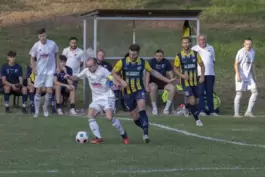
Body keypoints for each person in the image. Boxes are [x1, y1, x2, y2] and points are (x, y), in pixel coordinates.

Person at [112, 44, 176, 143]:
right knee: (134, 116)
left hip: (139, 90)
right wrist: (120, 81)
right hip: (127, 92)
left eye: (134, 54)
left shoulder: (142, 62)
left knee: (142, 108)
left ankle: (145, 134)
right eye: (131, 54)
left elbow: (154, 72)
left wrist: (167, 80)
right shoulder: (123, 62)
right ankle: (144, 126)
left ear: (138, 54)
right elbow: (113, 72)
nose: (132, 56)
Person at [65, 57, 129, 144]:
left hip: (107, 98)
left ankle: (124, 134)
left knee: (109, 118)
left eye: (91, 66)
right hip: (96, 99)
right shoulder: (86, 71)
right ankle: (99, 138)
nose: (89, 68)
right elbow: (77, 77)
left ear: (96, 65)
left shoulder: (103, 70)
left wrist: (117, 83)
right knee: (90, 115)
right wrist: (69, 76)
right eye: (88, 66)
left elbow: (111, 77)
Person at [174, 37, 205, 126]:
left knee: (197, 101)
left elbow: (202, 65)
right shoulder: (179, 56)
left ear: (190, 43)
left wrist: (202, 76)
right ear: (181, 44)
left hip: (195, 81)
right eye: (183, 43)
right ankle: (197, 120)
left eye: (187, 43)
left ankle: (184, 107)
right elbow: (175, 68)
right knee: (192, 100)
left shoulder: (195, 54)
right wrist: (182, 75)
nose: (185, 44)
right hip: (185, 82)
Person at [29, 28, 59, 118]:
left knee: (49, 90)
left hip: (50, 71)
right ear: (38, 37)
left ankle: (45, 107)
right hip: (40, 71)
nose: (42, 38)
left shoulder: (52, 44)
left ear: (46, 35)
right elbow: (32, 58)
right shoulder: (36, 45)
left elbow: (57, 54)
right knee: (38, 90)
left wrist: (57, 66)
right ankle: (37, 111)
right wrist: (34, 68)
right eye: (40, 36)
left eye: (44, 35)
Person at [191, 35, 217, 116]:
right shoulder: (194, 49)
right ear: (198, 41)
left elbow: (213, 60)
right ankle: (201, 110)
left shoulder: (211, 48)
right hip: (199, 74)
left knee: (210, 92)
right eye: (200, 40)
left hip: (210, 74)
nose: (202, 41)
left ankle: (211, 111)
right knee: (201, 92)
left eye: (204, 39)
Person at [146, 49, 175, 115]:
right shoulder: (151, 62)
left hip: (163, 82)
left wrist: (172, 80)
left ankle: (166, 109)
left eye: (160, 56)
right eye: (157, 56)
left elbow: (170, 72)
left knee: (172, 88)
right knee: (153, 88)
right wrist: (147, 85)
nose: (159, 57)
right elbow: (147, 74)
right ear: (154, 56)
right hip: (153, 82)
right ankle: (154, 108)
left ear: (163, 56)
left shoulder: (166, 62)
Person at [234, 38, 258, 118]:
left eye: (250, 44)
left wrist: (254, 75)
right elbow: (236, 64)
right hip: (241, 74)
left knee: (255, 92)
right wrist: (238, 75)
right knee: (239, 94)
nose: (249, 45)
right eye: (247, 44)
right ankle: (236, 114)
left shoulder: (253, 52)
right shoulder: (241, 52)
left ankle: (248, 111)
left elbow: (252, 64)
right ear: (244, 44)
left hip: (249, 75)